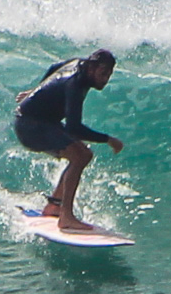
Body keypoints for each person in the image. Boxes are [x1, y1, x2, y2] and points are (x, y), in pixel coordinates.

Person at [13, 48, 124, 231]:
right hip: (30, 126)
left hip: (42, 122)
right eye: (103, 74)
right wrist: (108, 139)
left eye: (109, 75)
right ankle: (66, 217)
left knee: (82, 154)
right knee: (80, 155)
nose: (105, 79)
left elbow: (55, 67)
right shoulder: (75, 85)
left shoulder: (77, 63)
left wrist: (36, 91)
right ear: (91, 68)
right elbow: (74, 128)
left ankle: (55, 206)